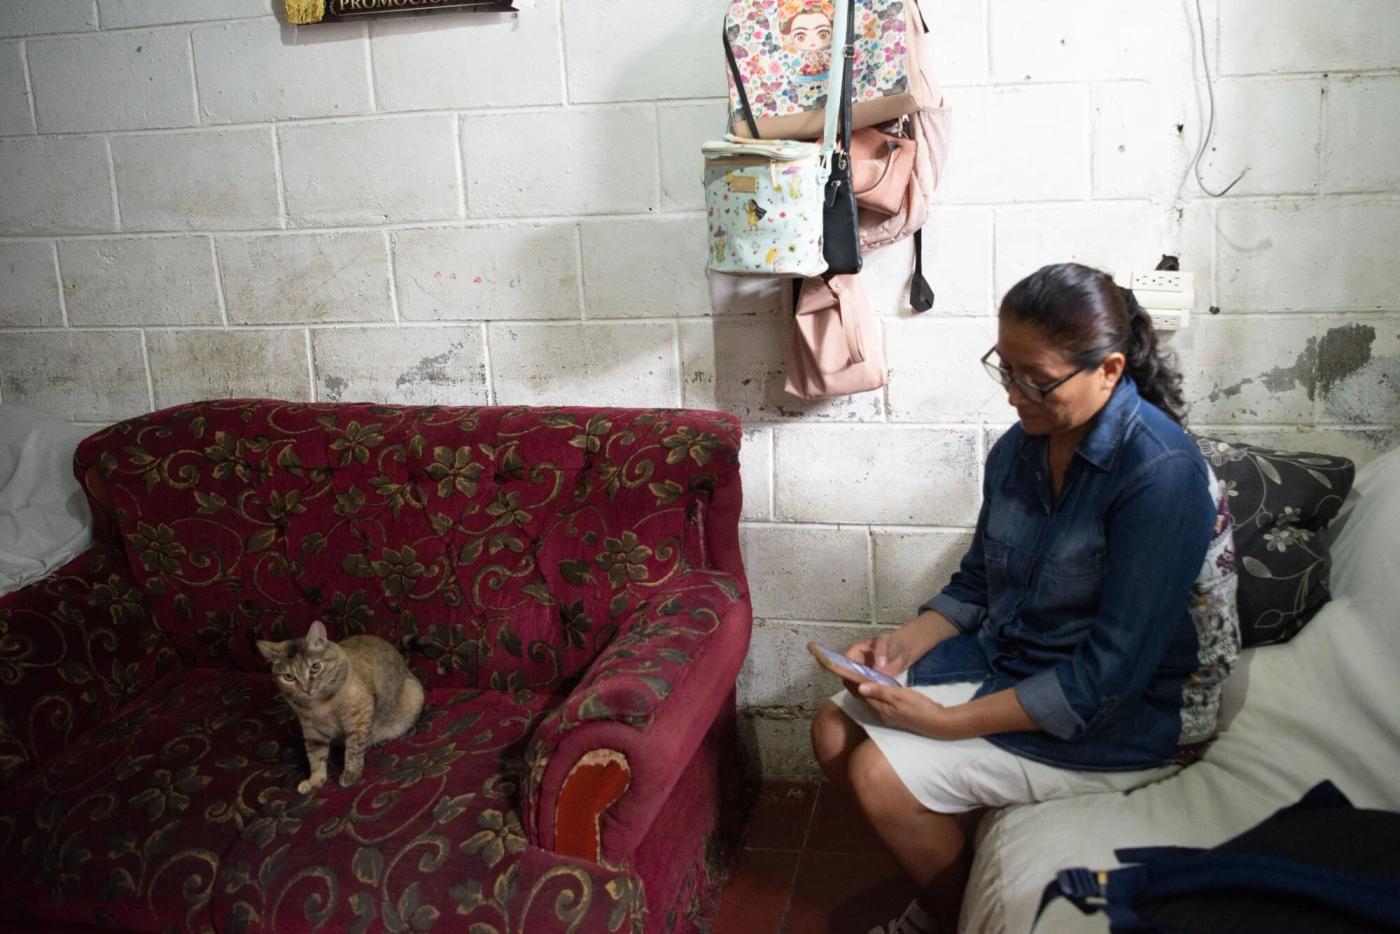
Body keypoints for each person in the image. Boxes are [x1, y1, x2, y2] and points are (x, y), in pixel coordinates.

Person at [810, 262, 1235, 934]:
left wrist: (944, 724)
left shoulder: (1160, 473)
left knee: (878, 776)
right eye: (1004, 369)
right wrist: (901, 646)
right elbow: (979, 582)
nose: (1013, 394)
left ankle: (946, 916)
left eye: (1036, 379)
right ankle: (952, 896)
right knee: (832, 730)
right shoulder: (1020, 450)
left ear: (1110, 370)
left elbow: (1108, 678)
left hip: (1130, 714)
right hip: (1019, 656)